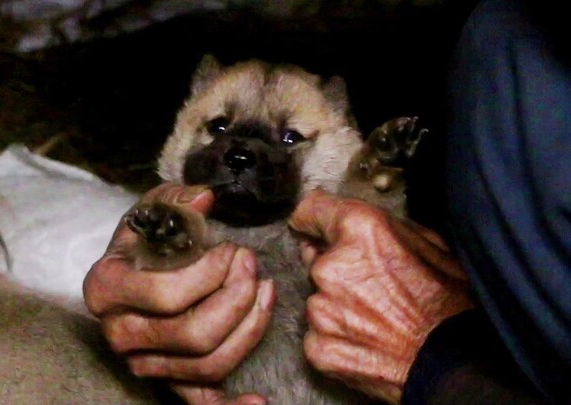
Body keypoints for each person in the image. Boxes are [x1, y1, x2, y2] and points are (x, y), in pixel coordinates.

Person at [84, 0, 570, 403]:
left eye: (291, 137)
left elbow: (377, 232)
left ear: (342, 133)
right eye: (218, 128)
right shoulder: (506, 39)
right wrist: (165, 245)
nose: (240, 150)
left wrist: (371, 177)